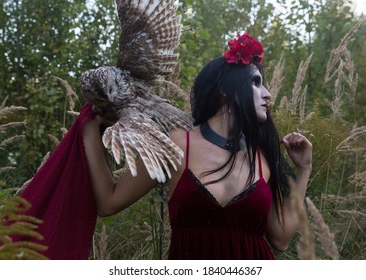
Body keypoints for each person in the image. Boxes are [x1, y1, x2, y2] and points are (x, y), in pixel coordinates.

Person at [82, 32, 313, 260]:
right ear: (225, 89)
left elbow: (281, 239)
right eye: (256, 83)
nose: (268, 94)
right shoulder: (178, 145)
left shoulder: (261, 157)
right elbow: (109, 201)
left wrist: (304, 170)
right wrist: (90, 130)